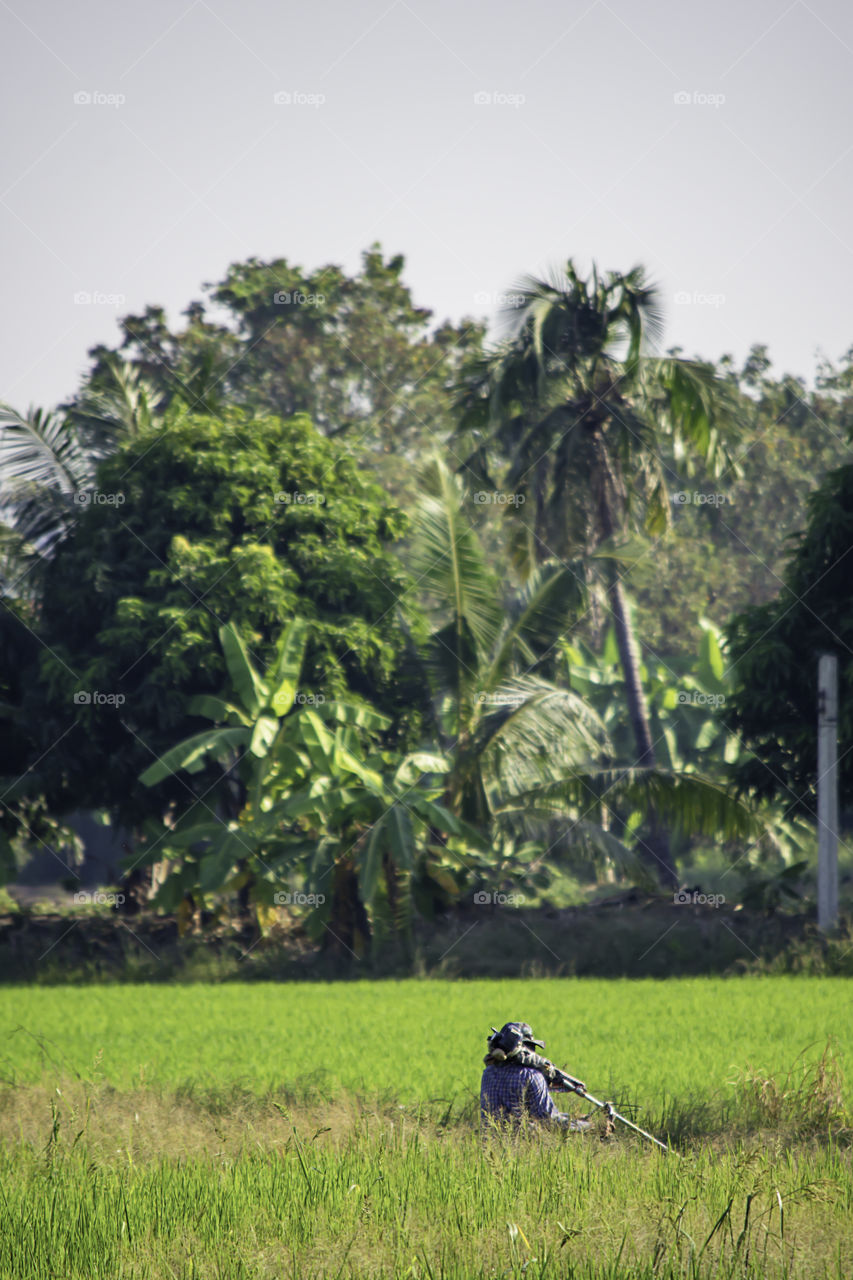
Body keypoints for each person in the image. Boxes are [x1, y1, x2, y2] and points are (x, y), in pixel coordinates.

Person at [480, 1021, 593, 1132]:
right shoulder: (532, 1076)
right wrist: (587, 1126)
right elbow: (549, 1120)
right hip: (522, 1143)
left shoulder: (488, 1073)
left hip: (490, 1141)